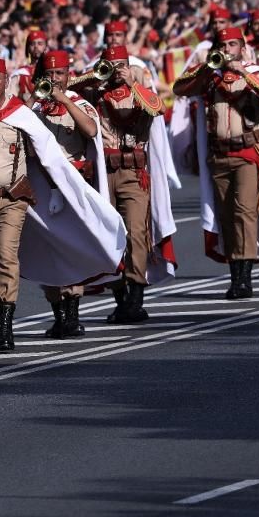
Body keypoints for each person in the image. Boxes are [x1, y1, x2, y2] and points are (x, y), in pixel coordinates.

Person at [0, 58, 126, 352]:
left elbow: (48, 153)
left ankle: (9, 327)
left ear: (6, 80)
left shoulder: (22, 116)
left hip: (12, 200)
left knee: (6, 258)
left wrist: (60, 188)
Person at [172, 26, 259, 298]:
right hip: (219, 156)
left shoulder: (257, 74)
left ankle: (244, 278)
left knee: (244, 213)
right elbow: (180, 88)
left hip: (248, 155)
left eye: (232, 46)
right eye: (223, 46)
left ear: (242, 48)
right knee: (226, 216)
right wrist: (205, 69)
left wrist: (243, 69)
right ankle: (235, 272)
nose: (226, 51)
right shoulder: (210, 78)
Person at [84, 45, 169, 322]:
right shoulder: (96, 94)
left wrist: (131, 82)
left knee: (135, 233)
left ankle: (136, 295)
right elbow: (67, 85)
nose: (116, 68)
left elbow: (158, 108)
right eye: (110, 63)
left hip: (134, 172)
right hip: (104, 172)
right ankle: (119, 295)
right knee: (110, 235)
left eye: (120, 63)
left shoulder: (140, 92)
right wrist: (94, 77)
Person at [28, 50, 103, 337]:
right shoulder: (35, 111)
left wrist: (64, 99)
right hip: (44, 187)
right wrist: (36, 99)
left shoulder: (80, 104)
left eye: (59, 74)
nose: (54, 79)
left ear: (69, 75)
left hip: (73, 185)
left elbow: (91, 131)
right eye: (49, 74)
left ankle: (73, 313)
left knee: (73, 249)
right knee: (48, 251)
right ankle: (57, 313)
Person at [7, 30, 48, 100]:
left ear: (45, 47)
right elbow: (10, 98)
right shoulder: (20, 73)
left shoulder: (52, 71)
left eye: (40, 43)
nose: (36, 46)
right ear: (28, 48)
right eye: (32, 44)